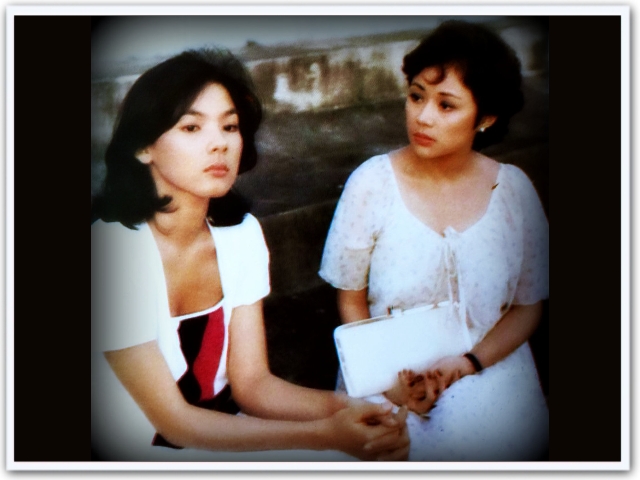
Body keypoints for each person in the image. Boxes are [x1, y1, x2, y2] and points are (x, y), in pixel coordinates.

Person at [91, 48, 410, 462]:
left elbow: (254, 385)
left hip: (226, 432)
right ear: (142, 148)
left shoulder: (240, 235)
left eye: (230, 126)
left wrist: (346, 408)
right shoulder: (111, 251)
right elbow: (174, 422)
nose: (219, 144)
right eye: (191, 127)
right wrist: (326, 436)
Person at [319, 20, 549, 461]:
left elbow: (527, 306)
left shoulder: (513, 192)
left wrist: (468, 364)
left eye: (446, 105)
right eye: (416, 96)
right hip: (386, 377)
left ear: (486, 117)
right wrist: (390, 385)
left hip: (489, 373)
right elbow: (351, 299)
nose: (423, 117)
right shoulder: (371, 184)